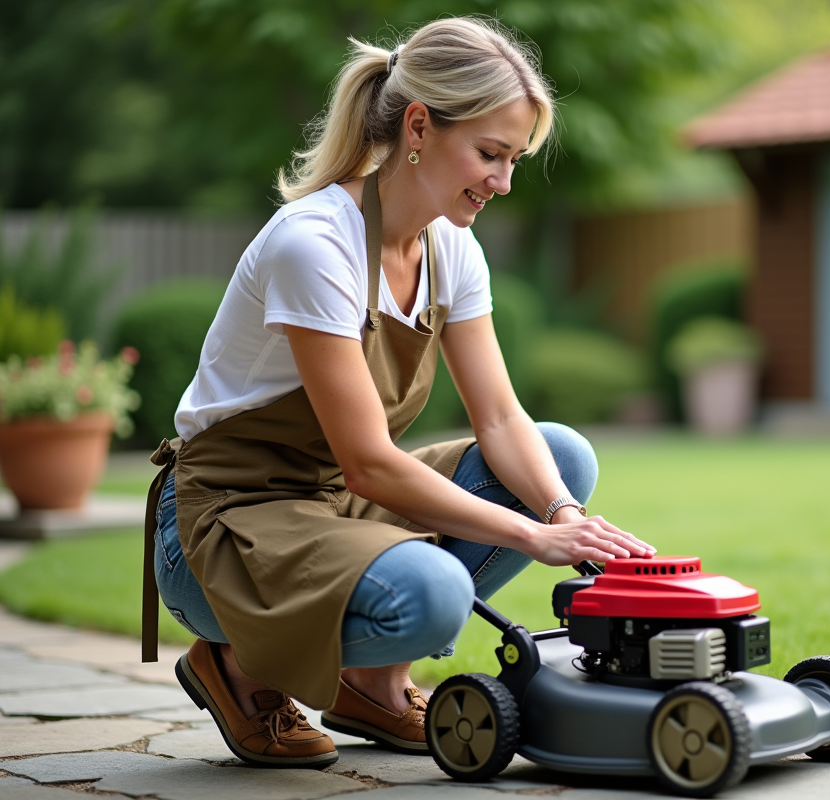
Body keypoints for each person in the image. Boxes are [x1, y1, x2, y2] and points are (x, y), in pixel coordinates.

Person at [142, 16, 654, 769]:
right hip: (221, 522)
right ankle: (240, 668)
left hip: (328, 503)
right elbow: (370, 465)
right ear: (419, 125)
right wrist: (534, 539)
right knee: (433, 593)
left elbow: (503, 419)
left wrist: (565, 516)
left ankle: (371, 685)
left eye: (513, 160)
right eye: (489, 153)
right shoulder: (314, 244)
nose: (503, 181)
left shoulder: (452, 246)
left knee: (560, 458)